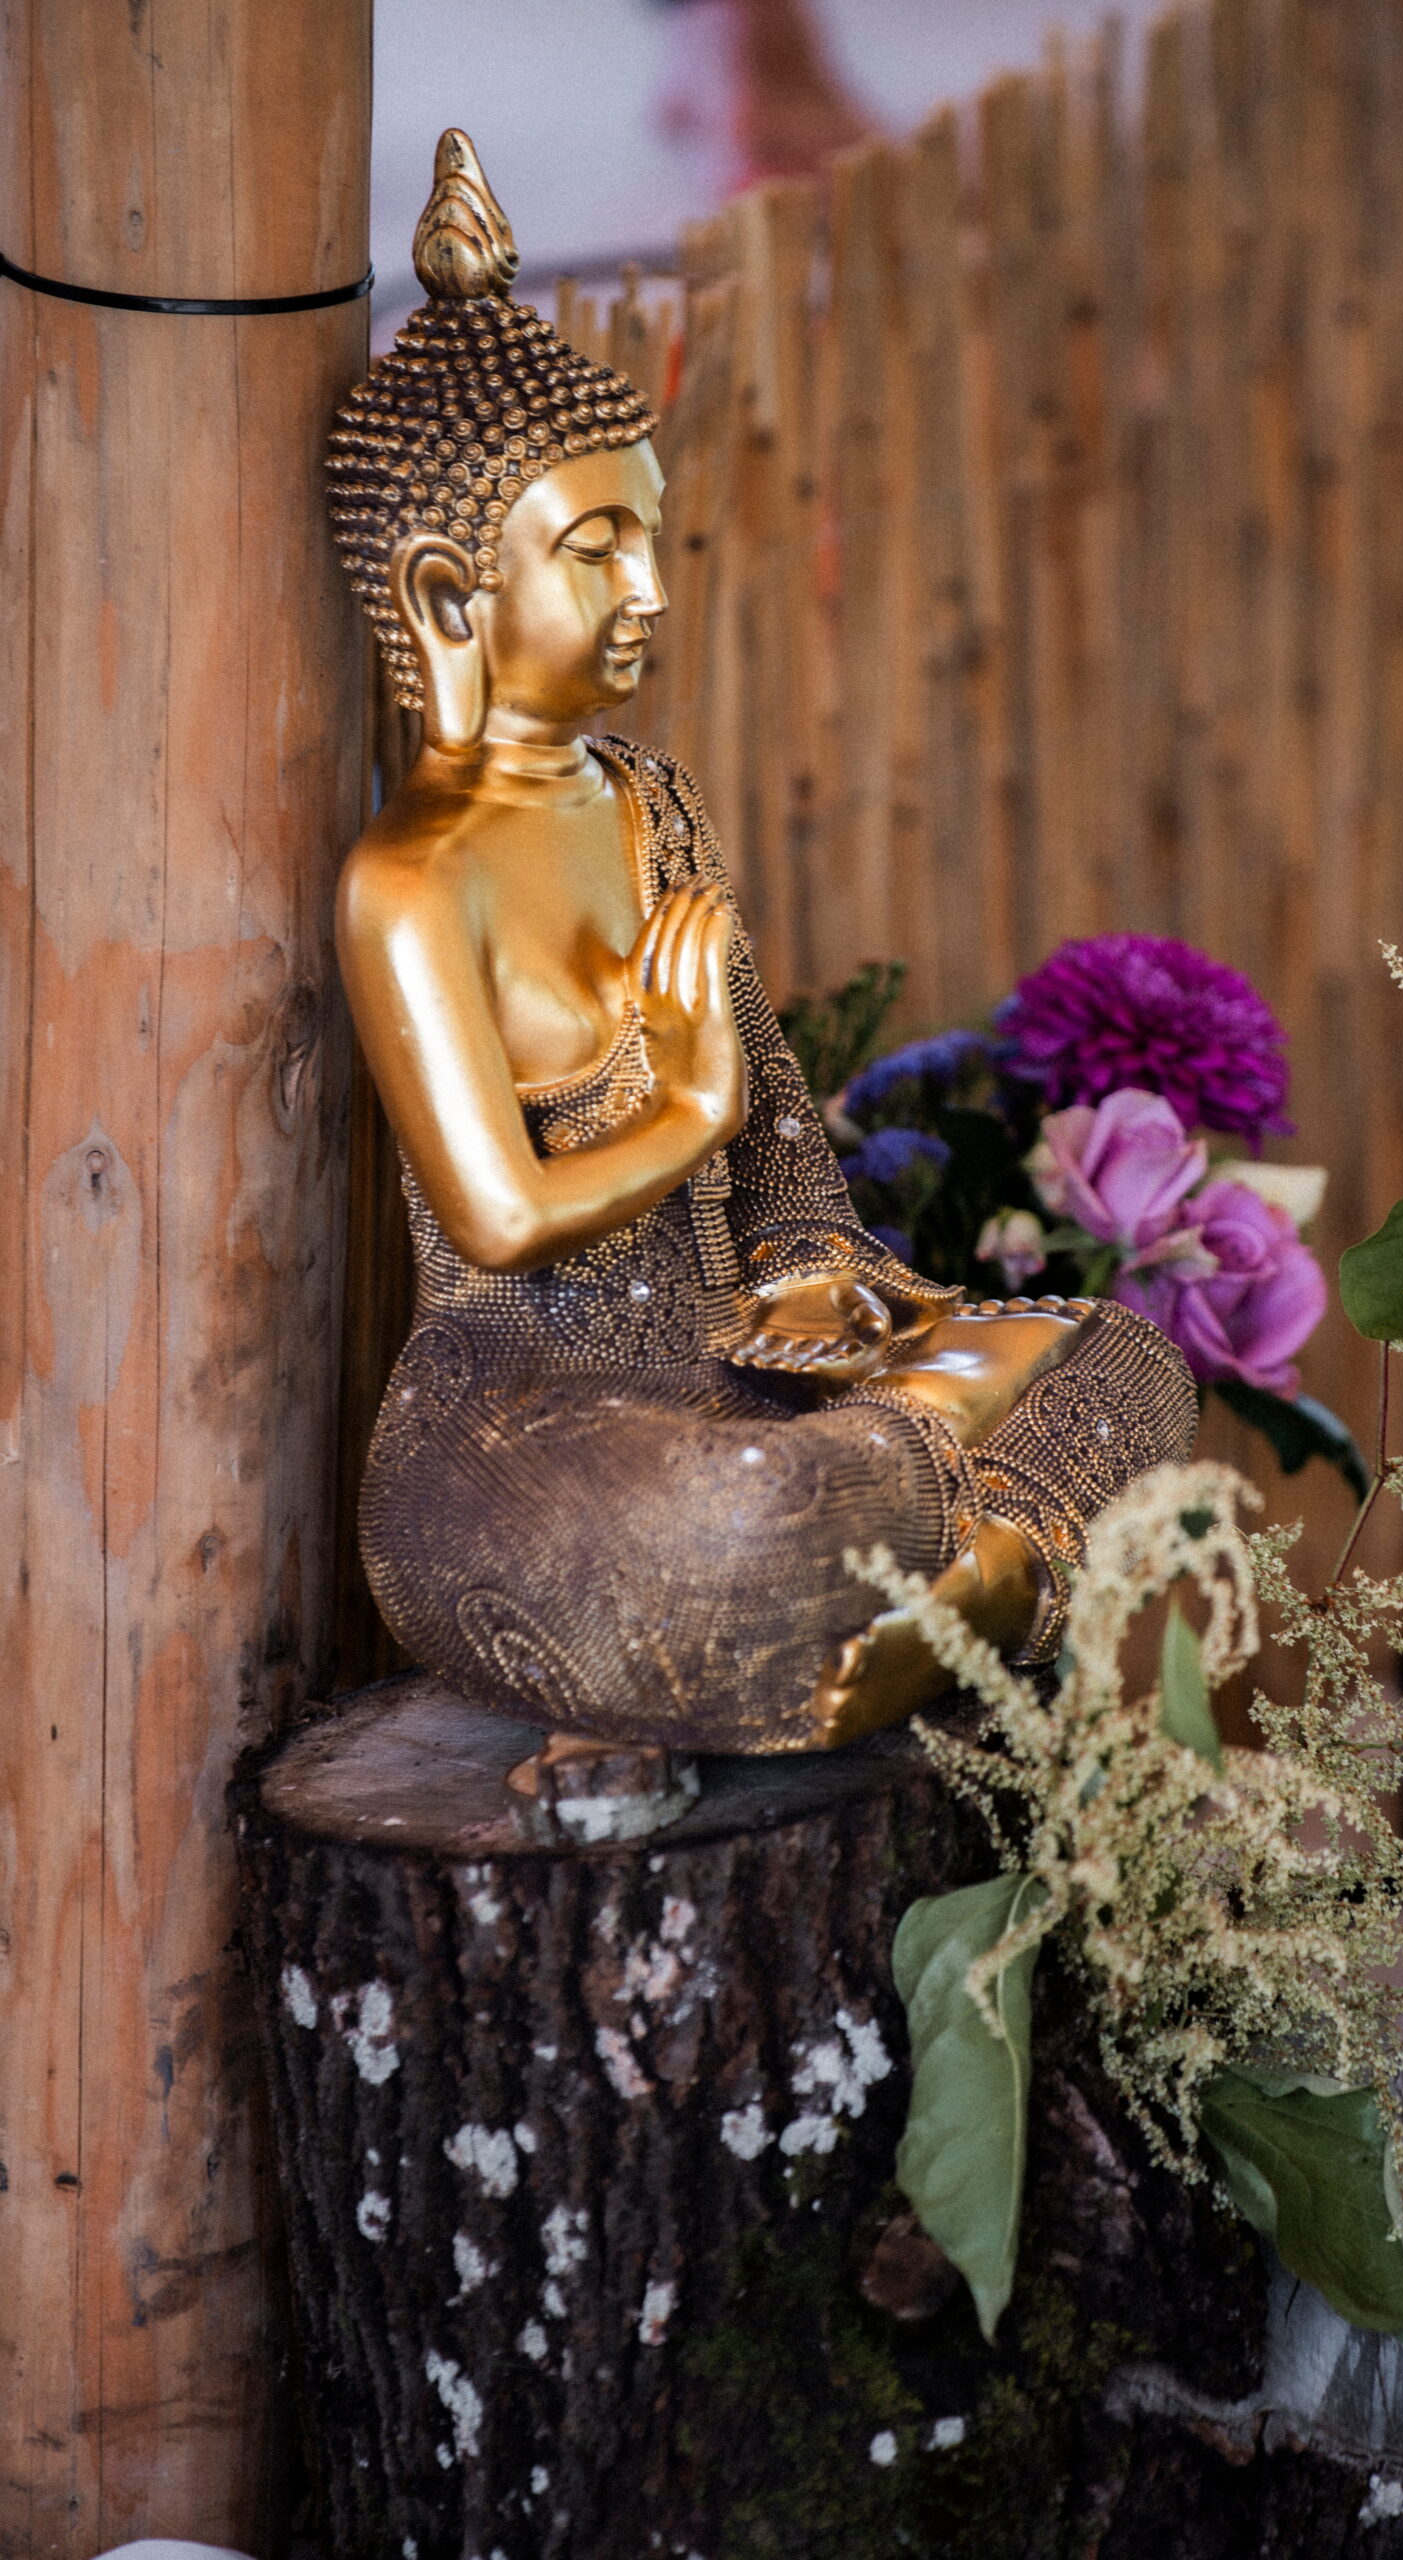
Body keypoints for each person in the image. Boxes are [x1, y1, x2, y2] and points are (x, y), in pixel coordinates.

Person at [328, 131, 1195, 1755]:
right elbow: (504, 1225)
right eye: (597, 550)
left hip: (747, 1367)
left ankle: (976, 1585)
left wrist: (807, 1267)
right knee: (749, 1510)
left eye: (652, 535)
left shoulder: (653, 805)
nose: (651, 585)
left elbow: (779, 1118)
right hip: (536, 1423)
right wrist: (684, 1116)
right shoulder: (409, 879)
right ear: (450, 596)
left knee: (1123, 1357)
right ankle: (934, 1569)